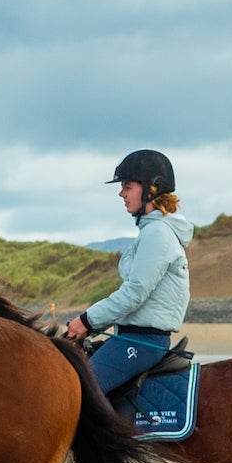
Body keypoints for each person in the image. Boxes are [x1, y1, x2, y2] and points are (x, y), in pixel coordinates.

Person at [62, 148, 190, 397]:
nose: (121, 193)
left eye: (127, 186)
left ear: (151, 189)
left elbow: (134, 294)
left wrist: (87, 321)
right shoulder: (150, 232)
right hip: (132, 336)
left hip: (142, 342)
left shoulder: (157, 235)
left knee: (78, 394)